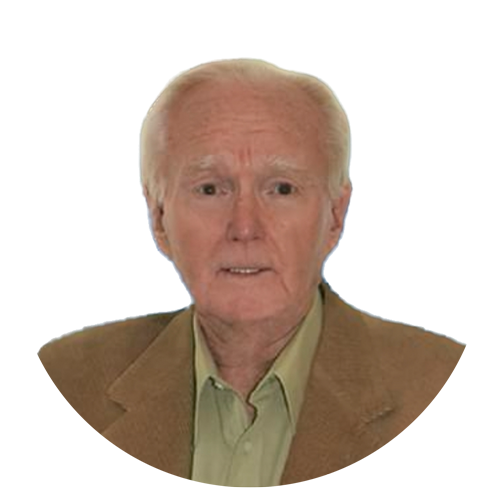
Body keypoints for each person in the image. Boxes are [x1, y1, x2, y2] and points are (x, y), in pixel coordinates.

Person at [23, 59, 485, 487]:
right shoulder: (65, 386)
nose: (245, 227)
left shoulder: (462, 397)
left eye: (281, 189)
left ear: (335, 215)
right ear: (158, 217)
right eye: (210, 189)